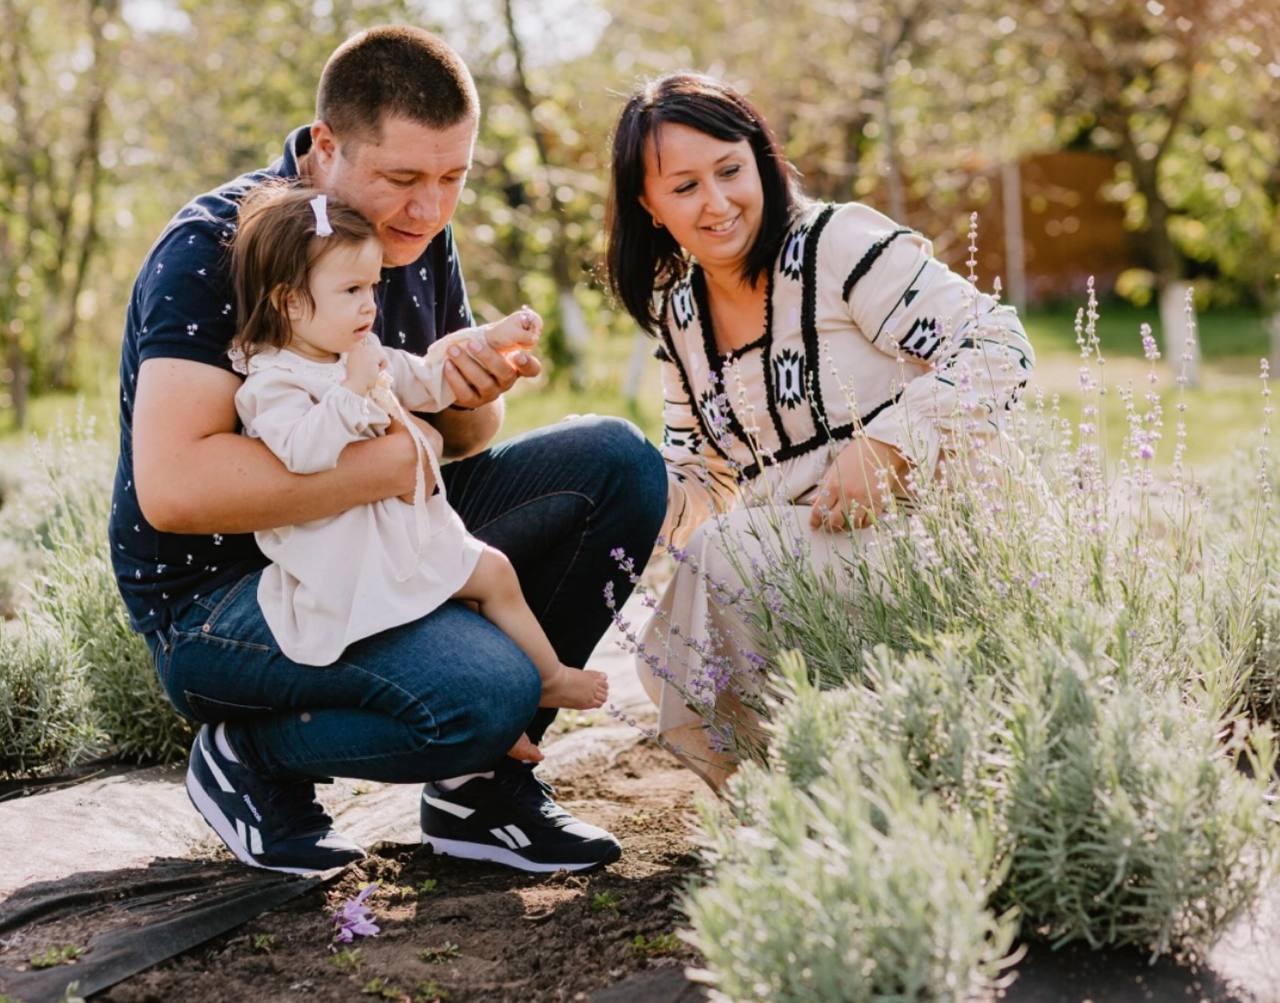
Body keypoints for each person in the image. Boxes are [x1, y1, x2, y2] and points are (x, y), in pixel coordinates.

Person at [109, 26, 667, 875]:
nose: (430, 208)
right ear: (325, 147)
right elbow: (177, 488)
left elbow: (457, 441)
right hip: (226, 597)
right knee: (486, 688)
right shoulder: (219, 246)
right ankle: (251, 757)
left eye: (454, 178)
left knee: (618, 461)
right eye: (404, 177)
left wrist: (472, 391)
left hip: (376, 532)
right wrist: (400, 458)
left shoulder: (410, 232)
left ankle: (480, 792)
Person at [604, 73, 1035, 789]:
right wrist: (595, 510)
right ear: (648, 205)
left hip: (945, 538)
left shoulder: (836, 245)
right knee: (691, 604)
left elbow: (998, 343)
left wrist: (892, 444)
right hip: (811, 569)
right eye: (684, 187)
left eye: (731, 170)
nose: (717, 203)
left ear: (762, 162)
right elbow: (700, 477)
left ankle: (790, 798)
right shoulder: (680, 318)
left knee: (725, 559)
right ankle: (802, 803)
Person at [225, 183, 607, 770]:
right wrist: (354, 388)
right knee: (462, 620)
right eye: (350, 290)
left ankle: (546, 679)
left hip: (402, 532)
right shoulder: (274, 383)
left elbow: (428, 378)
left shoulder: (358, 349)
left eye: (371, 288)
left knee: (494, 575)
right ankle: (499, 717)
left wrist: (491, 343)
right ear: (289, 304)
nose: (368, 306)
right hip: (351, 555)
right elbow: (302, 452)